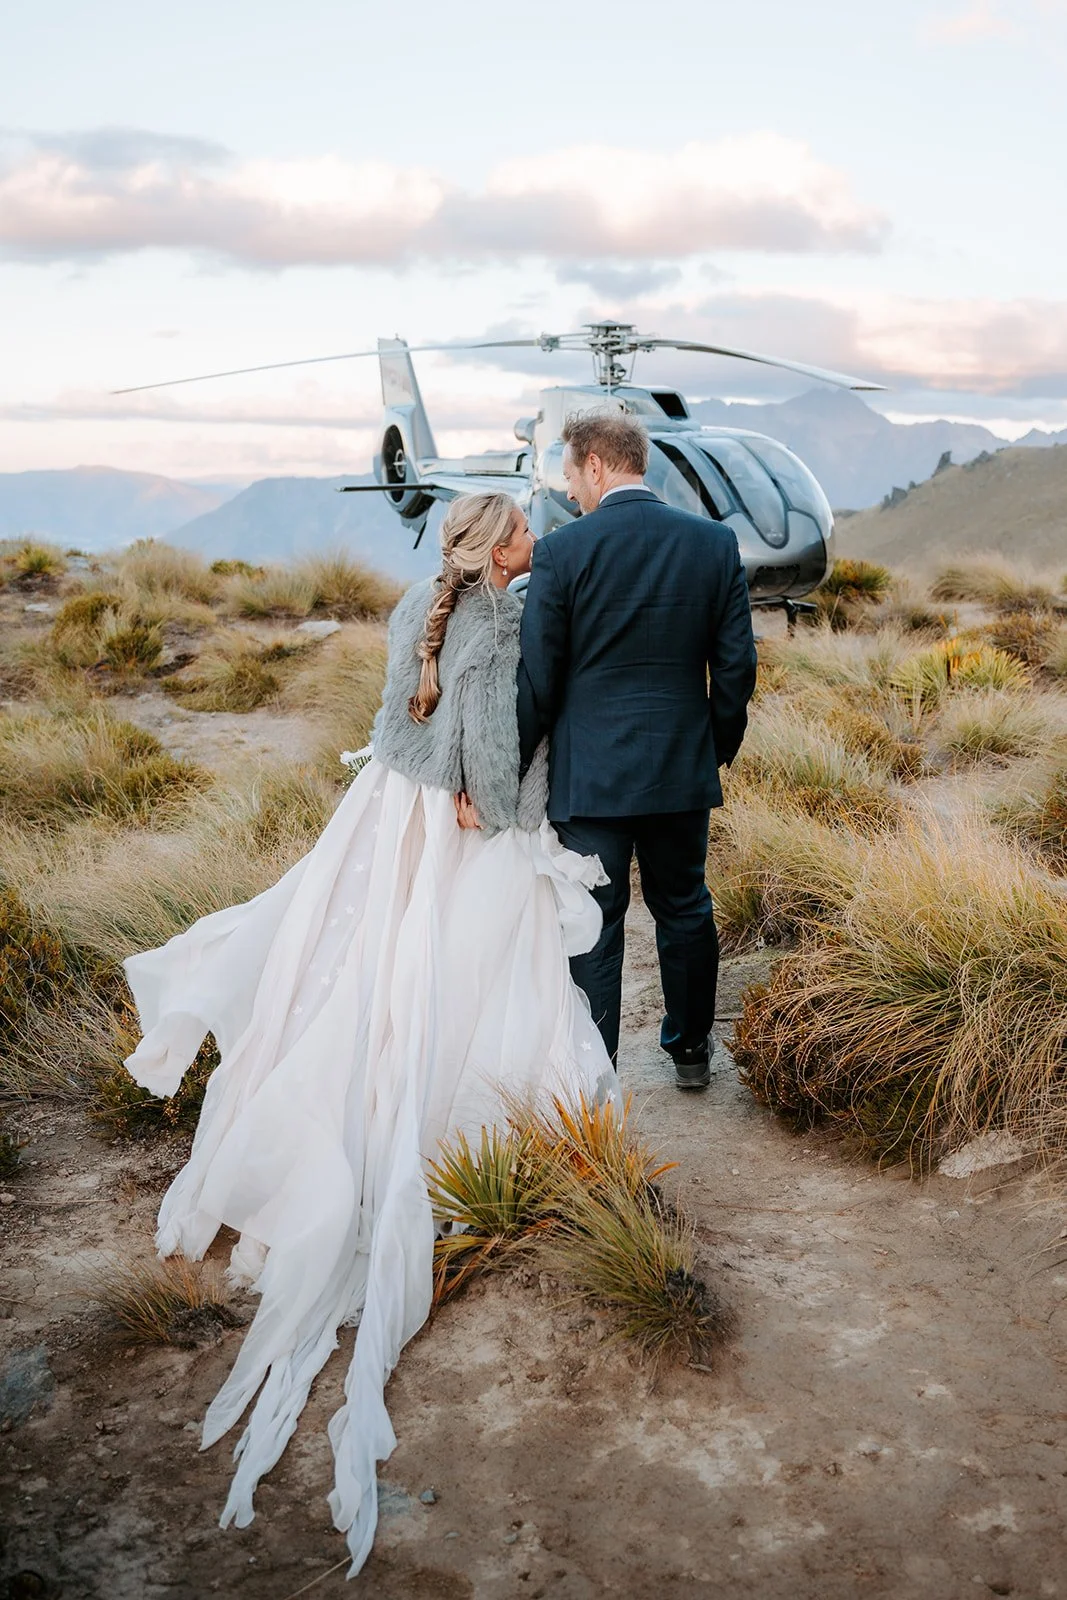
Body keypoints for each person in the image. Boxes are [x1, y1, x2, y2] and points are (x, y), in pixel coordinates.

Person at [121, 491, 615, 1575]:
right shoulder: (495, 617)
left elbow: (410, 706)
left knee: (355, 961)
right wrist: (505, 814)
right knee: (434, 970)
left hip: (391, 796)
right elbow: (490, 733)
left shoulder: (421, 599)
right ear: (499, 551)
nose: (539, 539)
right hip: (451, 817)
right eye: (527, 532)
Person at [518, 409, 757, 1088]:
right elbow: (735, 668)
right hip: (679, 767)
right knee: (684, 906)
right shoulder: (713, 544)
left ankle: (597, 1072)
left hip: (588, 774)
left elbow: (539, 675)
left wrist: (515, 764)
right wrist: (710, 748)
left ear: (595, 463)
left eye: (569, 472)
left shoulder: (562, 552)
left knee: (593, 919)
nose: (568, 491)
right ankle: (688, 1049)